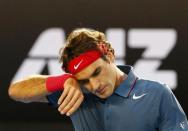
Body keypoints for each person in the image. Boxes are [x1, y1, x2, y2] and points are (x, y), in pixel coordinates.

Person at [8, 28, 188, 131]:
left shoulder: (157, 94)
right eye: (84, 80)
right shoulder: (76, 92)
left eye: (96, 73)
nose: (93, 86)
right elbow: (16, 91)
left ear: (109, 55)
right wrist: (64, 81)